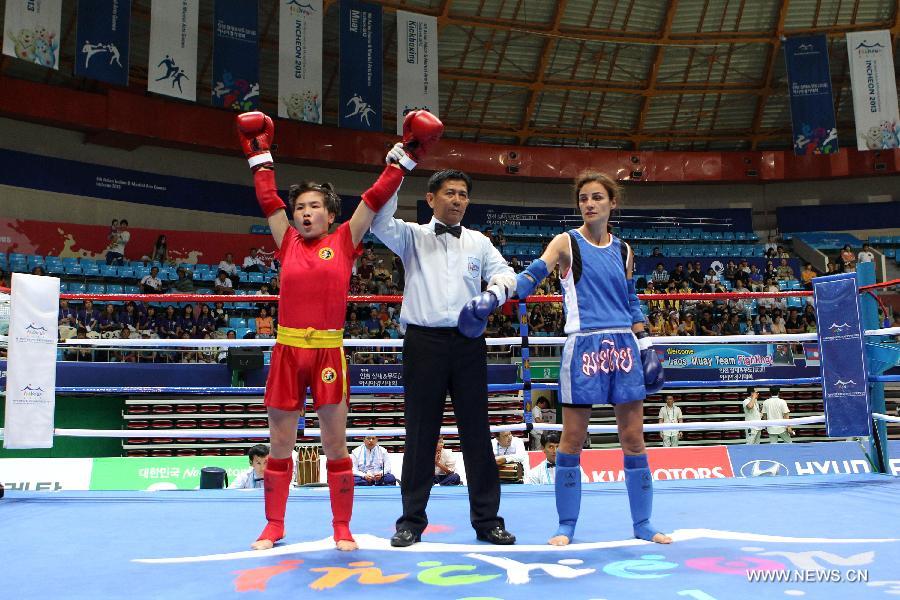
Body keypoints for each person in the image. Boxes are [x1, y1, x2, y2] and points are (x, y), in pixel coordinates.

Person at [237, 109, 410, 551]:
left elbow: (373, 198)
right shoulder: (286, 241)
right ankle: (273, 526)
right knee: (279, 446)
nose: (306, 212)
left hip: (329, 354)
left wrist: (405, 157)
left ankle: (342, 527)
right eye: (300, 207)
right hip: (287, 350)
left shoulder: (346, 240)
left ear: (331, 213)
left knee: (336, 445)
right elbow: (268, 200)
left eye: (315, 206)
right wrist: (260, 156)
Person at [479, 169, 669, 546]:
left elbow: (631, 302)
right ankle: (566, 525)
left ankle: (643, 523)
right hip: (583, 346)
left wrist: (646, 345)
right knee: (572, 438)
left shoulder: (625, 249)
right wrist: (501, 292)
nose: (589, 203)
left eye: (597, 197)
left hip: (624, 348)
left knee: (633, 439)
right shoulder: (566, 242)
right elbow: (535, 273)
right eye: (584, 198)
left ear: (612, 203)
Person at [370, 137, 518, 547]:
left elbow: (507, 274)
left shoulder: (479, 242)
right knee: (420, 435)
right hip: (423, 343)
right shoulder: (412, 236)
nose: (457, 200)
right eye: (450, 193)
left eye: (463, 194)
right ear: (431, 198)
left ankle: (488, 523)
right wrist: (395, 170)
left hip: (469, 344)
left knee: (477, 433)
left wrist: (493, 295)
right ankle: (410, 523)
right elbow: (379, 219)